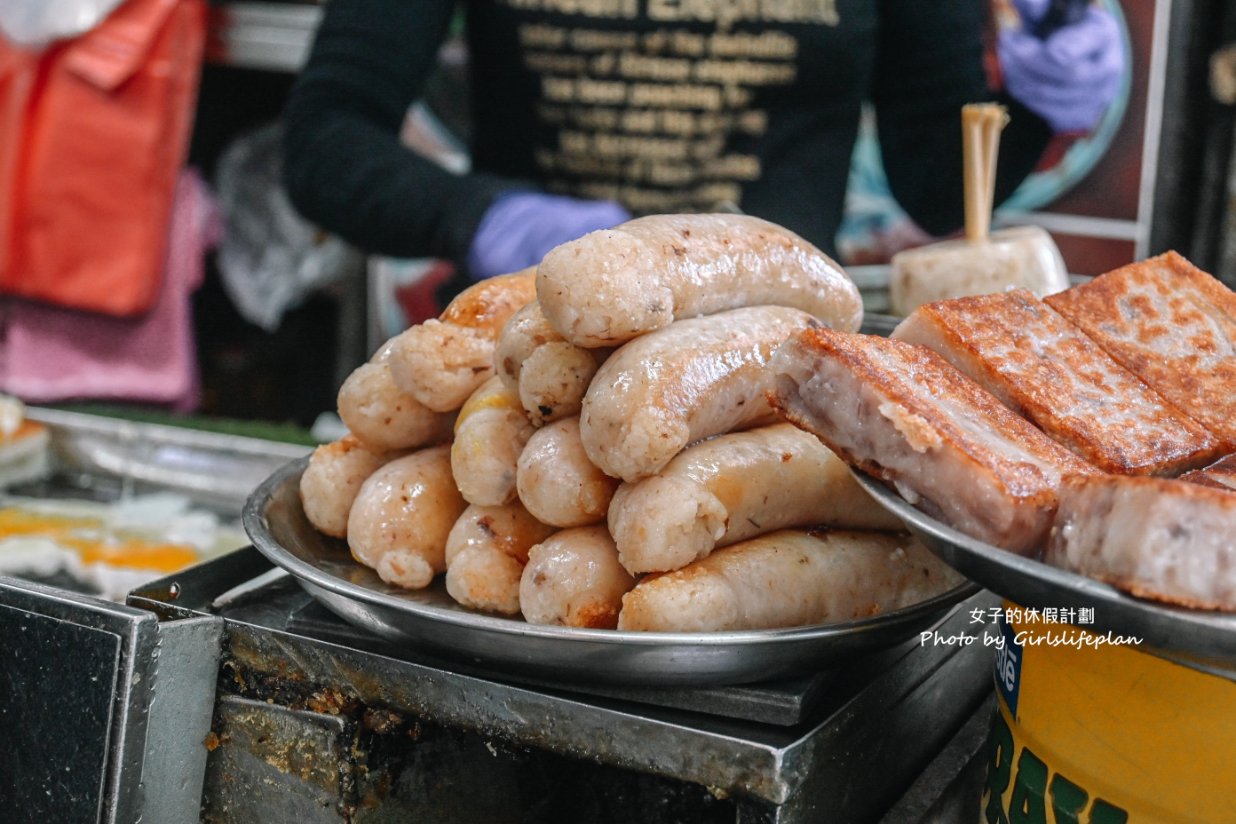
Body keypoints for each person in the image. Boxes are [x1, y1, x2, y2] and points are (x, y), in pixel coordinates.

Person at [283, 0, 1123, 282]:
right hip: (532, 335)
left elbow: (941, 184)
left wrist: (1042, 100)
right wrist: (483, 216)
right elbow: (325, 139)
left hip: (776, 369)